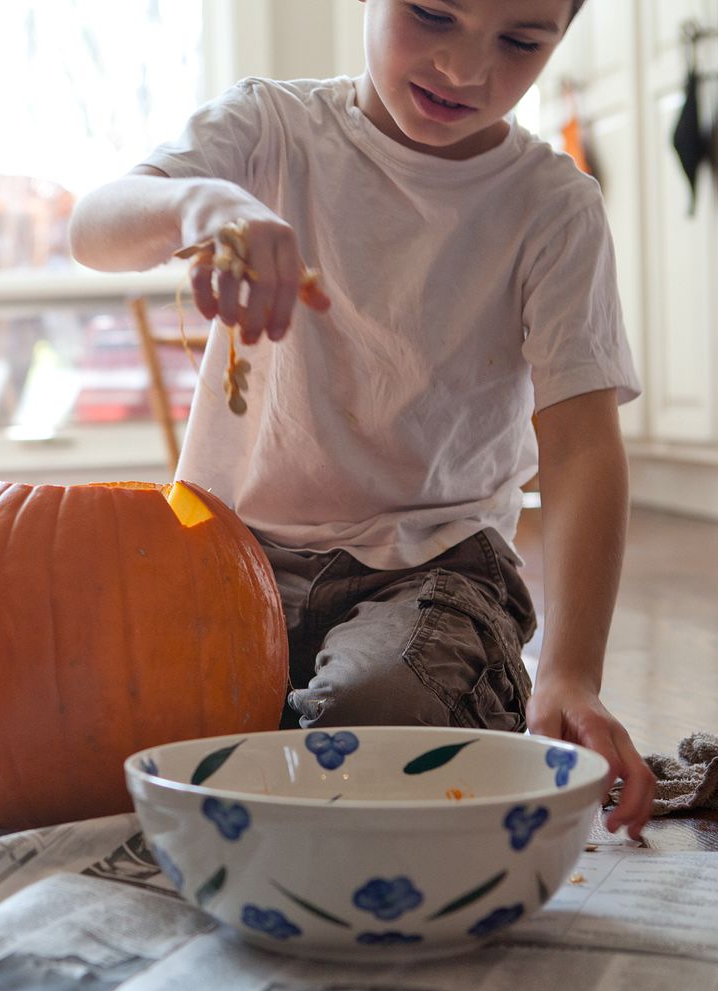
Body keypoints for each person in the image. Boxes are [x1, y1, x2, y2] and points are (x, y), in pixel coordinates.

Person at [69, 0, 654, 836]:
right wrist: (199, 206)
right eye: (432, 15)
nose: (465, 69)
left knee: (374, 707)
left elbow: (582, 447)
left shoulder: (553, 205)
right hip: (231, 564)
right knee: (90, 714)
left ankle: (354, 718)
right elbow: (95, 230)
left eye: (520, 42)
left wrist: (572, 673)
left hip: (438, 568)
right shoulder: (270, 126)